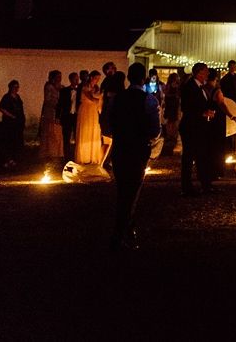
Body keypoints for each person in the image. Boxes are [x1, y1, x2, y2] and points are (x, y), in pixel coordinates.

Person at [108, 62, 161, 251]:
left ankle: (126, 230)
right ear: (143, 78)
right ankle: (121, 233)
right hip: (138, 149)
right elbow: (155, 130)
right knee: (132, 191)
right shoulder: (149, 100)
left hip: (120, 148)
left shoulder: (116, 99)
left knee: (123, 189)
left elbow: (108, 123)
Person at [179, 62, 216, 195]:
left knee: (202, 156)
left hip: (199, 126)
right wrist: (202, 113)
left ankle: (205, 185)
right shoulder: (189, 87)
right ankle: (187, 187)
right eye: (206, 71)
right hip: (191, 127)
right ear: (199, 72)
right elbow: (186, 107)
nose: (208, 73)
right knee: (189, 157)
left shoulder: (201, 87)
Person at [206, 67, 236, 179]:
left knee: (208, 145)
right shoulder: (216, 91)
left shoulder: (203, 89)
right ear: (215, 78)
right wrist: (231, 115)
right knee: (218, 146)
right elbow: (222, 105)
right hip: (217, 120)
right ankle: (217, 170)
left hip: (207, 119)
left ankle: (207, 169)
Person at [75, 70, 103, 164]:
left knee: (93, 131)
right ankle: (84, 157)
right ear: (91, 77)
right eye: (96, 78)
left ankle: (92, 157)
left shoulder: (96, 88)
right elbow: (91, 98)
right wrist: (101, 97)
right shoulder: (85, 87)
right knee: (85, 132)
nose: (97, 81)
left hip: (93, 112)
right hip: (85, 111)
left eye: (99, 79)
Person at [39, 70, 64, 169]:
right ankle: (50, 154)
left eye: (60, 76)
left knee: (57, 134)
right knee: (50, 134)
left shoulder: (61, 87)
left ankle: (57, 154)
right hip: (51, 113)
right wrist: (57, 104)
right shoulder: (49, 87)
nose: (60, 78)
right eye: (58, 76)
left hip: (58, 114)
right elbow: (48, 100)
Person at [0, 80, 25, 168]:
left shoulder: (18, 97)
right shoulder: (6, 97)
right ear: (10, 87)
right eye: (15, 87)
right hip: (9, 122)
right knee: (8, 140)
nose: (16, 89)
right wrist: (11, 116)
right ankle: (8, 159)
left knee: (16, 141)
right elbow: (1, 108)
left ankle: (14, 159)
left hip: (18, 122)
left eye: (17, 87)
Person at [57, 72, 81, 163]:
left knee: (77, 137)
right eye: (75, 79)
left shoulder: (80, 91)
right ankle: (67, 157)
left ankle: (76, 156)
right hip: (67, 117)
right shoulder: (64, 91)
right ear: (71, 80)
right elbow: (60, 104)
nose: (77, 80)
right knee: (66, 138)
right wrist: (57, 116)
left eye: (77, 79)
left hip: (76, 117)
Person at [162, 71, 182, 155]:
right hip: (173, 110)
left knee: (171, 128)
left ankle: (169, 147)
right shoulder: (176, 89)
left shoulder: (168, 88)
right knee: (173, 128)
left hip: (171, 110)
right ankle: (171, 147)